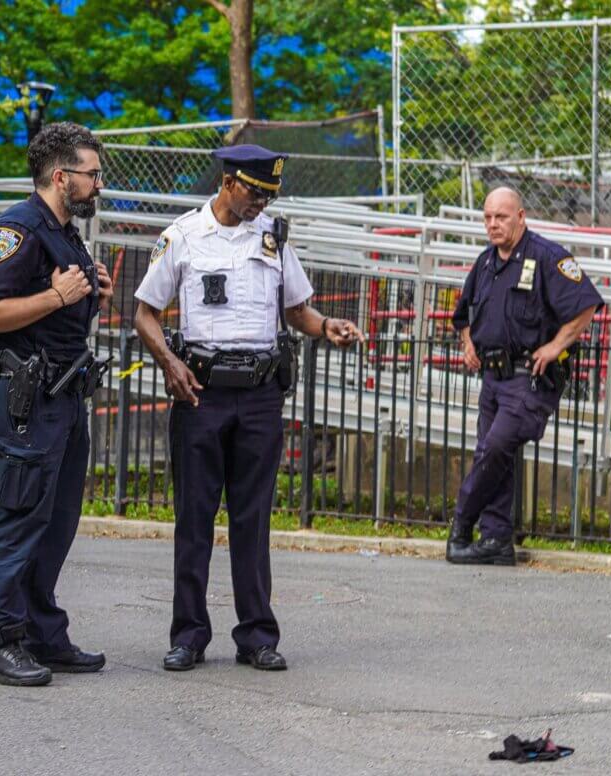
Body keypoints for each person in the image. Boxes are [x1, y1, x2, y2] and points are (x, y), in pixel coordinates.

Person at [133, 144, 363, 672]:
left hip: (260, 395)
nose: (262, 202)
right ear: (229, 182)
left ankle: (256, 635)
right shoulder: (183, 236)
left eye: (269, 195)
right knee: (194, 519)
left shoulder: (273, 238)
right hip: (201, 392)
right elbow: (145, 314)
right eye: (255, 192)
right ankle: (189, 635)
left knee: (252, 519)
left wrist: (327, 328)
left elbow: (297, 309)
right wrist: (170, 364)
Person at [0, 122, 114, 686]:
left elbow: (59, 319)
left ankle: (41, 634)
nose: (98, 183)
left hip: (64, 399)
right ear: (61, 176)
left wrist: (87, 294)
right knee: (18, 517)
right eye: (91, 173)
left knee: (55, 523)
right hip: (26, 401)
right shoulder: (17, 230)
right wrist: (57, 294)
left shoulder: (65, 233)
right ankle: (0, 643)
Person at [447, 187, 603, 566]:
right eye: (487, 217)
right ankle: (496, 539)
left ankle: (461, 522)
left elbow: (586, 306)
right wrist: (469, 343)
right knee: (495, 456)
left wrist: (554, 347)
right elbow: (463, 315)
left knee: (495, 449)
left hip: (528, 378)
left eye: (501, 217)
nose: (493, 224)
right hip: (492, 378)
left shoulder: (548, 257)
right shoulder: (486, 263)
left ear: (520, 216)